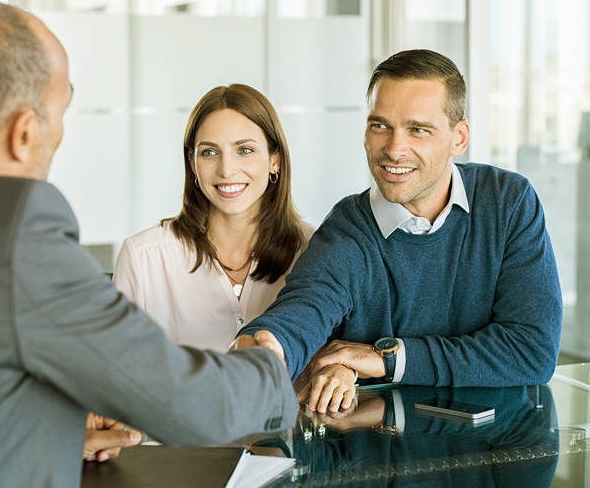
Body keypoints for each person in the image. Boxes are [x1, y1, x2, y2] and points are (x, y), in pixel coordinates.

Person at [0, 0, 297, 488]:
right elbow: (190, 403)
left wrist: (63, 430)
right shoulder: (10, 230)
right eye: (59, 111)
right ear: (24, 133)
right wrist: (273, 361)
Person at [234, 49, 563, 414]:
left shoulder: (508, 202)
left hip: (495, 451)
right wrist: (268, 347)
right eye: (380, 126)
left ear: (459, 137)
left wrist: (387, 358)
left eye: (418, 129)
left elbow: (531, 350)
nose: (393, 149)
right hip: (383, 454)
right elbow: (304, 309)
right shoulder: (348, 230)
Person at [113, 84, 314, 352]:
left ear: (274, 160)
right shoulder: (143, 258)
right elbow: (120, 377)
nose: (227, 170)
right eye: (209, 152)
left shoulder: (314, 249)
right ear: (193, 164)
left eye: (244, 150)